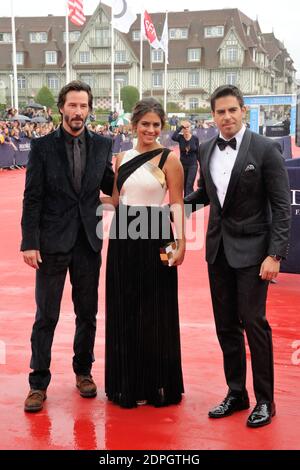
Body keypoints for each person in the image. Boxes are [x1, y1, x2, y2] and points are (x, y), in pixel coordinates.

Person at [185, 85, 291, 428]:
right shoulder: (204, 149)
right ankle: (236, 392)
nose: (227, 117)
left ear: (242, 110)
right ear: (212, 115)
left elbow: (281, 205)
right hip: (217, 250)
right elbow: (208, 195)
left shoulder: (265, 149)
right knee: (226, 325)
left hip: (254, 252)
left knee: (254, 323)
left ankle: (265, 400)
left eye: (232, 110)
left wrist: (275, 254)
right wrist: (174, 205)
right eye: (220, 112)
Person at [21, 80, 115, 412]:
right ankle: (37, 382)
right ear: (61, 107)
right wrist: (29, 241)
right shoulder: (42, 147)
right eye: (72, 105)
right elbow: (32, 197)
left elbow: (109, 185)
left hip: (88, 242)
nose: (78, 112)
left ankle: (83, 372)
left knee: (86, 314)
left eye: (84, 106)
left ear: (90, 109)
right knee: (46, 314)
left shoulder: (104, 145)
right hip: (51, 242)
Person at [101, 98, 185, 408]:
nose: (150, 130)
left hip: (159, 236)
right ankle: (127, 383)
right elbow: (113, 199)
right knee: (125, 306)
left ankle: (157, 383)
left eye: (156, 125)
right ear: (134, 125)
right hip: (124, 234)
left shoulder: (169, 159)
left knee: (157, 306)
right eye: (145, 124)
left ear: (162, 128)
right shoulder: (120, 158)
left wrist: (181, 243)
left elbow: (176, 203)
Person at [172, 121, 199, 197]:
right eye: (184, 128)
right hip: (182, 165)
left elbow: (197, 152)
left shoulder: (195, 138)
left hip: (193, 165)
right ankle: (189, 202)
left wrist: (202, 165)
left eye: (187, 127)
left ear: (190, 128)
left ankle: (189, 206)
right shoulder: (180, 138)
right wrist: (180, 127)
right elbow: (173, 137)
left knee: (189, 185)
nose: (186, 129)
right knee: (184, 185)